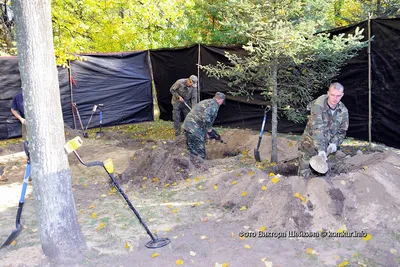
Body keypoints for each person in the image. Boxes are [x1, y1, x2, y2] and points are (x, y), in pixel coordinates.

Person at [298, 82, 349, 177]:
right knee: (304, 175)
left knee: (321, 178)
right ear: (328, 93)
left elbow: (342, 131)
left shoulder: (343, 111)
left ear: (342, 95)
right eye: (332, 95)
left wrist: (334, 143)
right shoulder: (319, 105)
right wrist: (321, 149)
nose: (335, 98)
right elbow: (317, 128)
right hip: (309, 145)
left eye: (338, 96)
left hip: (326, 149)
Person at [183, 92, 225, 159]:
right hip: (194, 127)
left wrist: (207, 133)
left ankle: (192, 165)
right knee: (201, 151)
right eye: (222, 101)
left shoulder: (207, 101)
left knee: (192, 149)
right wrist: (209, 130)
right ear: (221, 100)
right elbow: (206, 117)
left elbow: (202, 118)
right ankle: (201, 166)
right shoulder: (214, 105)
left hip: (187, 126)